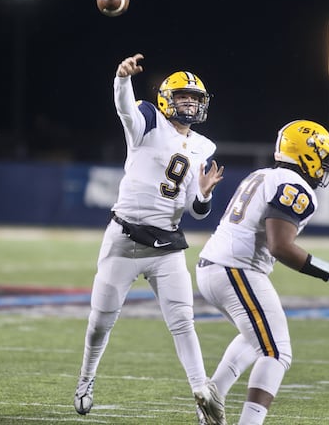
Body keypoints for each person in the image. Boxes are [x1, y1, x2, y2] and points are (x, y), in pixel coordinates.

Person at [73, 53, 226, 425]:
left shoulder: (203, 147)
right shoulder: (147, 120)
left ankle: (201, 394)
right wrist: (121, 78)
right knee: (99, 322)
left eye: (195, 98)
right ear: (165, 99)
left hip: (167, 245)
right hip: (124, 240)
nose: (189, 103)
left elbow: (195, 209)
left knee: (183, 322)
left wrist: (203, 193)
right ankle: (85, 379)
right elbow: (125, 108)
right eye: (183, 96)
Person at [195, 119, 329, 425]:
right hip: (236, 269)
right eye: (322, 158)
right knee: (276, 352)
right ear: (306, 154)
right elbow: (280, 246)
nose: (324, 167)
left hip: (215, 266)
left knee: (257, 336)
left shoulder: (263, 175)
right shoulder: (294, 185)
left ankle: (214, 392)